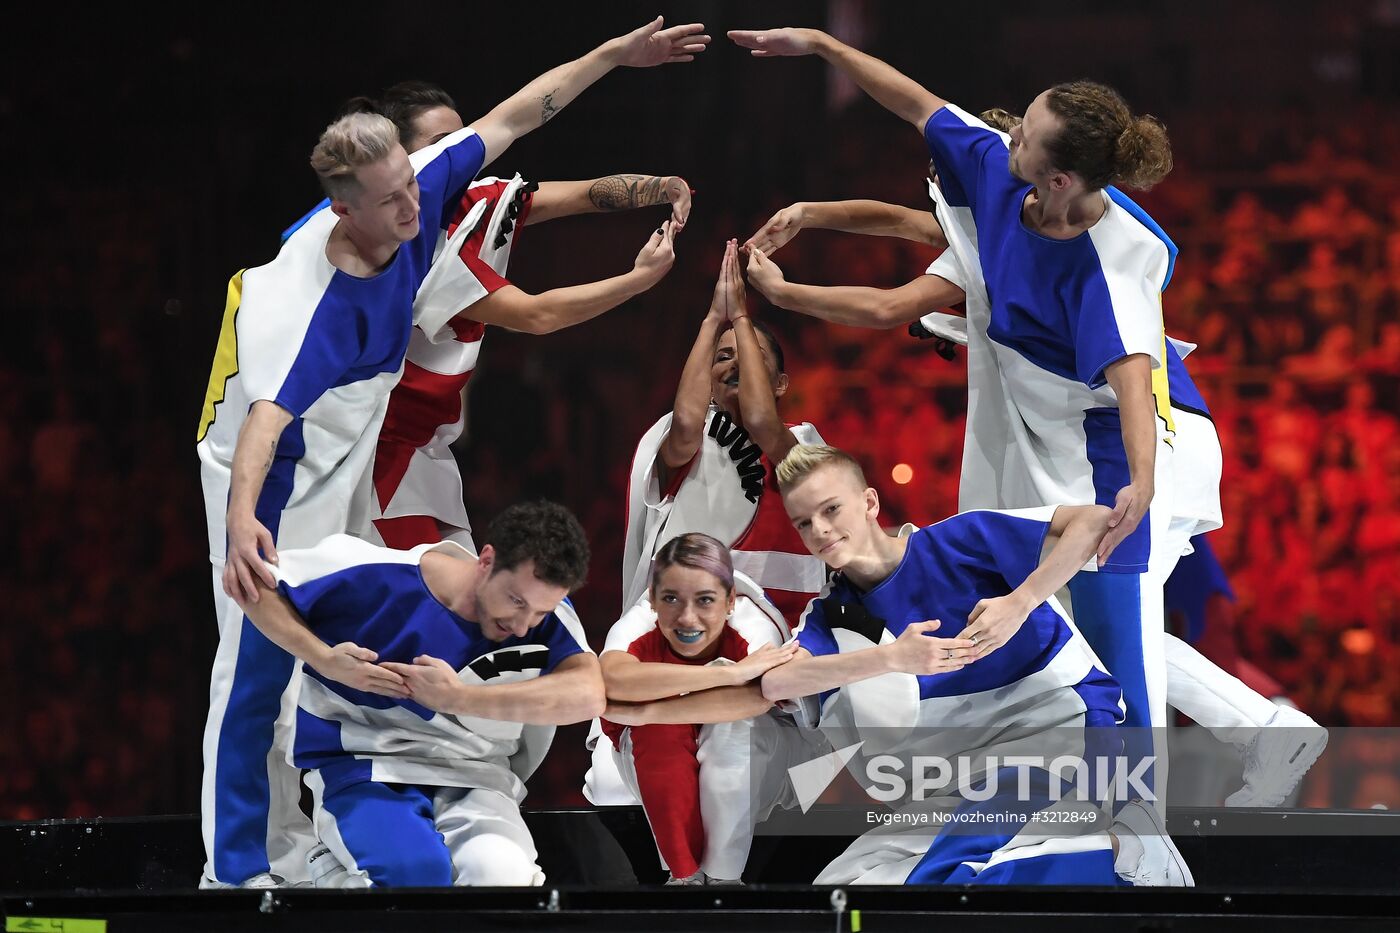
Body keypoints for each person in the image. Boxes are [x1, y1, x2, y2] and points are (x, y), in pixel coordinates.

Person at [195, 17, 709, 888]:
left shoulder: (416, 189)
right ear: (342, 208)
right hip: (277, 469)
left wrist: (615, 58)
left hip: (352, 448)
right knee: (255, 657)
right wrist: (243, 519)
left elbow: (516, 118)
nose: (416, 209)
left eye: (412, 184)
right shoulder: (301, 304)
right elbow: (263, 424)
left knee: (336, 646)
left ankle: (343, 825)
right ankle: (238, 871)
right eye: (392, 200)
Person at [731, 26, 1179, 792]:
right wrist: (822, 46)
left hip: (1108, 440)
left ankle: (1147, 830)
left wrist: (1140, 480)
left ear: (1062, 177)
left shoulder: (1110, 264)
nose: (1007, 131)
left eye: (1028, 133)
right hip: (1029, 425)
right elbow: (911, 106)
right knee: (1039, 608)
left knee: (1120, 632)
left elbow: (1136, 379)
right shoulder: (998, 176)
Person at [764, 445, 1192, 886]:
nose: (819, 529)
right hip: (952, 783)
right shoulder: (827, 616)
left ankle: (1130, 854)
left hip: (1055, 738)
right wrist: (890, 658)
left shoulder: (956, 539)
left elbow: (1095, 520)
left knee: (950, 877)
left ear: (869, 503)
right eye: (803, 523)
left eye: (830, 509)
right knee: (847, 887)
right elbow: (778, 681)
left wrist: (1021, 602)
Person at [355, 80, 693, 551]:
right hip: (376, 454)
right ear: (399, 160)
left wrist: (661, 187)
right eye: (440, 147)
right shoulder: (412, 247)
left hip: (427, 449)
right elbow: (538, 315)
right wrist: (637, 281)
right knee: (424, 605)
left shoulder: (477, 201)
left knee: (459, 605)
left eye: (463, 143)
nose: (459, 158)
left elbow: (582, 195)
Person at [234, 500, 601, 888]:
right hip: (368, 765)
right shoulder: (376, 572)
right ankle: (338, 873)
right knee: (414, 877)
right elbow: (253, 583)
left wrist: (456, 699)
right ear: (487, 560)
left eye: (540, 613)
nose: (525, 626)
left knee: (504, 880)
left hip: (478, 776)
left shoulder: (545, 613)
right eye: (516, 601)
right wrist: (323, 658)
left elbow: (589, 694)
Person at [586, 241, 827, 804]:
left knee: (760, 781)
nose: (733, 364)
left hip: (775, 663)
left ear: (783, 382)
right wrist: (714, 319)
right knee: (620, 788)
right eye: (721, 359)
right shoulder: (677, 441)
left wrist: (739, 316)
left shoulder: (810, 450)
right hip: (680, 645)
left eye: (748, 356)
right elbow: (690, 420)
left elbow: (765, 423)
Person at [599, 533, 807, 884]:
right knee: (659, 734)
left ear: (730, 602)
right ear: (652, 599)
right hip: (659, 761)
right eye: (671, 599)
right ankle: (684, 877)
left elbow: (757, 698)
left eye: (705, 600)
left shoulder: (752, 625)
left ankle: (725, 880)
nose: (687, 618)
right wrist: (735, 672)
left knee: (731, 729)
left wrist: (647, 711)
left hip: (763, 771)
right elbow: (613, 680)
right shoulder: (638, 624)